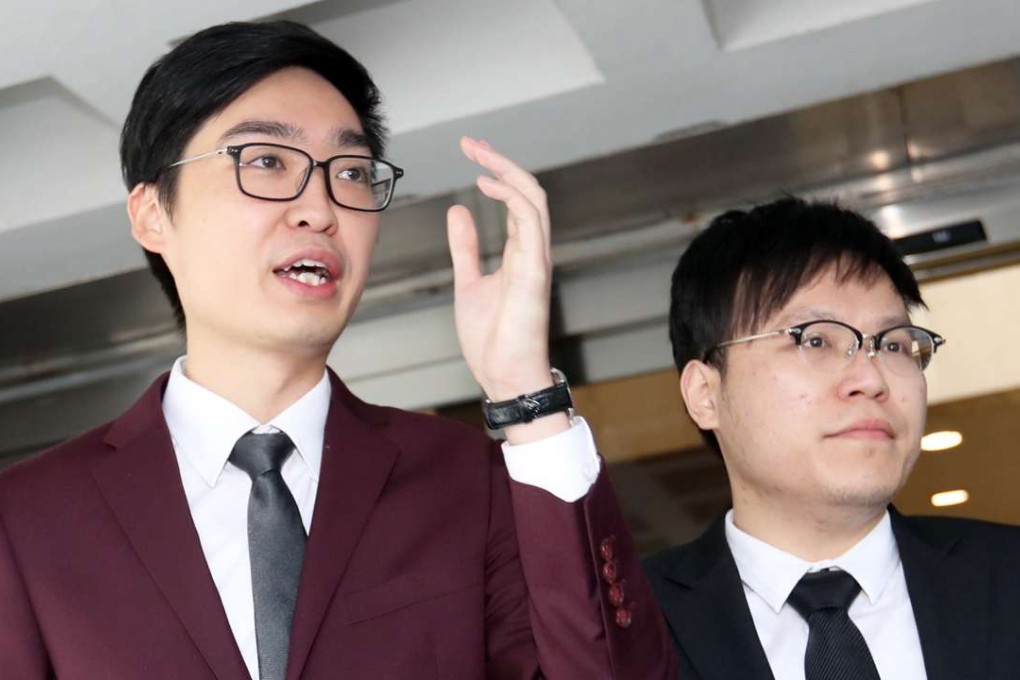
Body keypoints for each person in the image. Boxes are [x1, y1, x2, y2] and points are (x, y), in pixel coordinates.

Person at [0, 21, 674, 679]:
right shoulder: (28, 522)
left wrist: (529, 397)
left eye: (350, 172)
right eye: (266, 161)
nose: (320, 208)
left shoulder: (471, 484)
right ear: (151, 214)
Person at [644, 197, 1020, 679]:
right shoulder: (636, 628)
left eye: (893, 345)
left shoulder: (1007, 580)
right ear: (705, 393)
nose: (871, 377)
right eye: (815, 340)